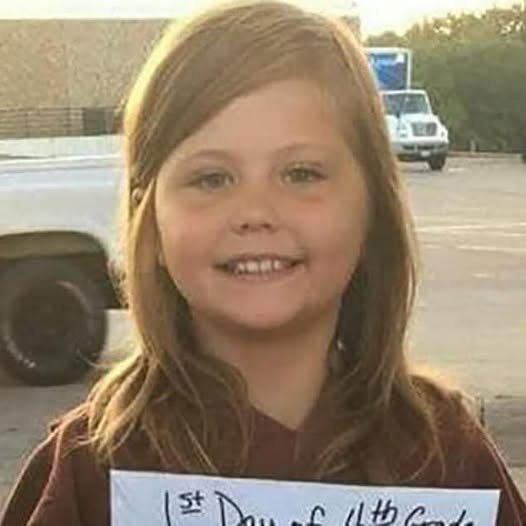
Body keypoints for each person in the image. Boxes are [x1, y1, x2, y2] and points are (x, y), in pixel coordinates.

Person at [2, 2, 525, 525]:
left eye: (301, 174)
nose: (255, 212)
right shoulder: (91, 470)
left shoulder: (446, 456)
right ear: (150, 221)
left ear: (373, 211)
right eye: (211, 179)